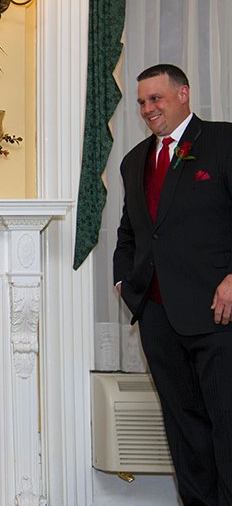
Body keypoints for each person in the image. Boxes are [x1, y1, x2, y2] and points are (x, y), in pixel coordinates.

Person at [113, 63, 232, 506]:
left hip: (219, 314)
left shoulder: (223, 142)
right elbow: (132, 232)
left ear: (183, 94)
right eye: (142, 102)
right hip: (159, 318)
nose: (147, 108)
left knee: (227, 425)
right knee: (184, 430)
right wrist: (125, 282)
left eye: (155, 98)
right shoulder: (134, 161)